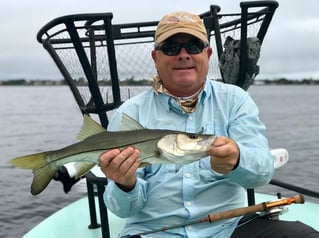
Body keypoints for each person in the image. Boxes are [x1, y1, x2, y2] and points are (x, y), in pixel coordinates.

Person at [98, 11, 319, 238]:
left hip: (229, 228)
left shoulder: (235, 100)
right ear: (156, 58)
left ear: (208, 53)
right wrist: (125, 184)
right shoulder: (130, 113)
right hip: (153, 232)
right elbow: (122, 210)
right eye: (171, 48)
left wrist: (237, 159)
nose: (183, 55)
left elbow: (262, 173)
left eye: (193, 46)